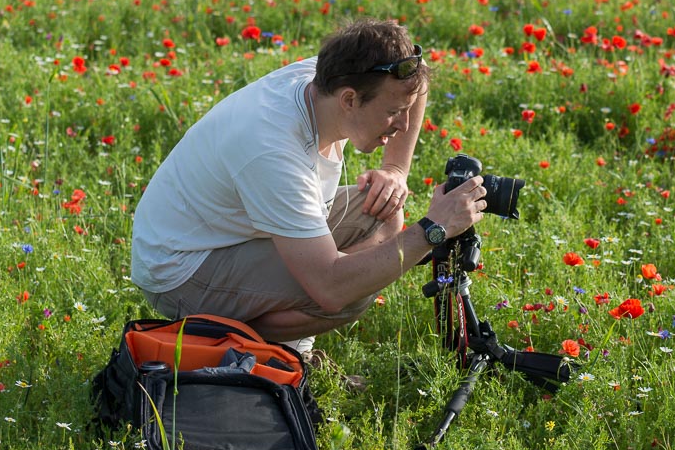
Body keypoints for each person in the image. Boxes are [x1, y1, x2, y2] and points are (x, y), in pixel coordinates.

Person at [131, 18, 487, 356]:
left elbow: (416, 87)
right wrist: (433, 230)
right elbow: (332, 288)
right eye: (394, 111)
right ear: (349, 100)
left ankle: (284, 348)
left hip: (234, 233)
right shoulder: (273, 149)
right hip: (181, 269)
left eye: (405, 109)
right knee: (352, 289)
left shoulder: (335, 80)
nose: (403, 124)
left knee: (380, 214)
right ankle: (251, 351)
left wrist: (394, 169)